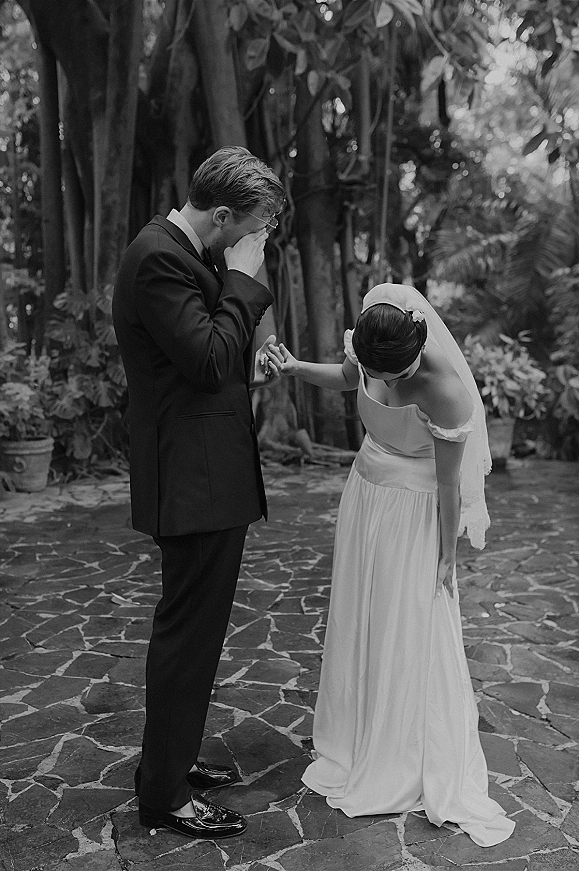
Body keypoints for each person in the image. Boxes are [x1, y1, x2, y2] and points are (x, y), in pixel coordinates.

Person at [264, 283, 515, 847]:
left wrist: (447, 554)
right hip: (367, 495)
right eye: (384, 373)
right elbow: (349, 377)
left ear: (419, 349)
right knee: (361, 615)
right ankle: (354, 733)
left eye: (400, 376)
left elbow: (449, 486)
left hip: (412, 512)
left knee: (409, 624)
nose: (392, 385)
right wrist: (295, 367)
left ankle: (401, 745)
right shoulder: (375, 340)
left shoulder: (448, 391)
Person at [112, 147, 284, 840]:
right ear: (220, 215)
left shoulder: (189, 254)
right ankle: (164, 794)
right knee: (187, 635)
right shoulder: (159, 257)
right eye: (253, 230)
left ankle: (170, 762)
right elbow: (209, 358)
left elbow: (212, 352)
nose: (258, 243)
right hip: (193, 480)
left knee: (197, 633)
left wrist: (253, 349)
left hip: (205, 473)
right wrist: (243, 282)